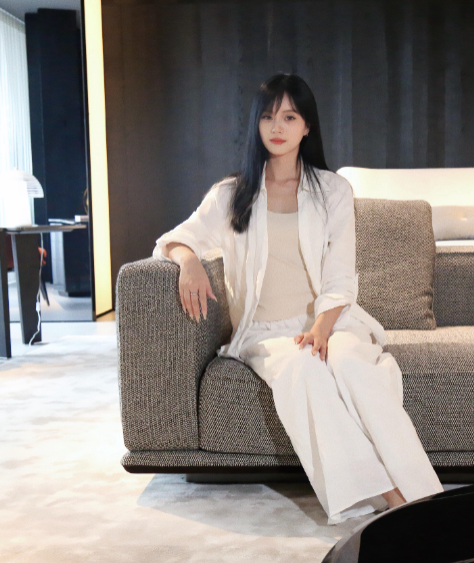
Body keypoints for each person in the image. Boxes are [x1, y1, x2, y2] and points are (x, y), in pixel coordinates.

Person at [152, 73, 444, 524]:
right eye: (268, 116)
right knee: (305, 369)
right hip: (265, 333)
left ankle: (426, 497)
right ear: (256, 124)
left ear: (307, 126)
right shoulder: (231, 194)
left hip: (332, 323)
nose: (277, 127)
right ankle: (393, 497)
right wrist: (187, 259)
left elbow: (341, 276)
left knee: (351, 367)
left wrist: (322, 329)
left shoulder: (332, 191)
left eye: (289, 117)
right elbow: (174, 238)